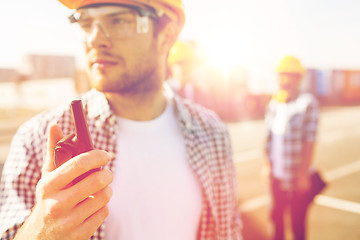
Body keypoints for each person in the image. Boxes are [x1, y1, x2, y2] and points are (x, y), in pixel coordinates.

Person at [0, 0, 242, 239]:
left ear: (166, 36)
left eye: (118, 20)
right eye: (85, 22)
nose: (94, 39)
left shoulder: (212, 132)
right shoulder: (39, 139)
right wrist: (40, 232)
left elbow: (227, 230)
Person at [264, 56, 319, 240]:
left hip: (296, 177)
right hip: (276, 178)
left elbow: (309, 139)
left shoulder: (307, 103)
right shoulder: (274, 104)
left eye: (290, 75)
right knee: (276, 221)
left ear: (298, 78)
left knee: (297, 225)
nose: (285, 80)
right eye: (282, 75)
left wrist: (303, 174)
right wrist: (267, 166)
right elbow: (268, 140)